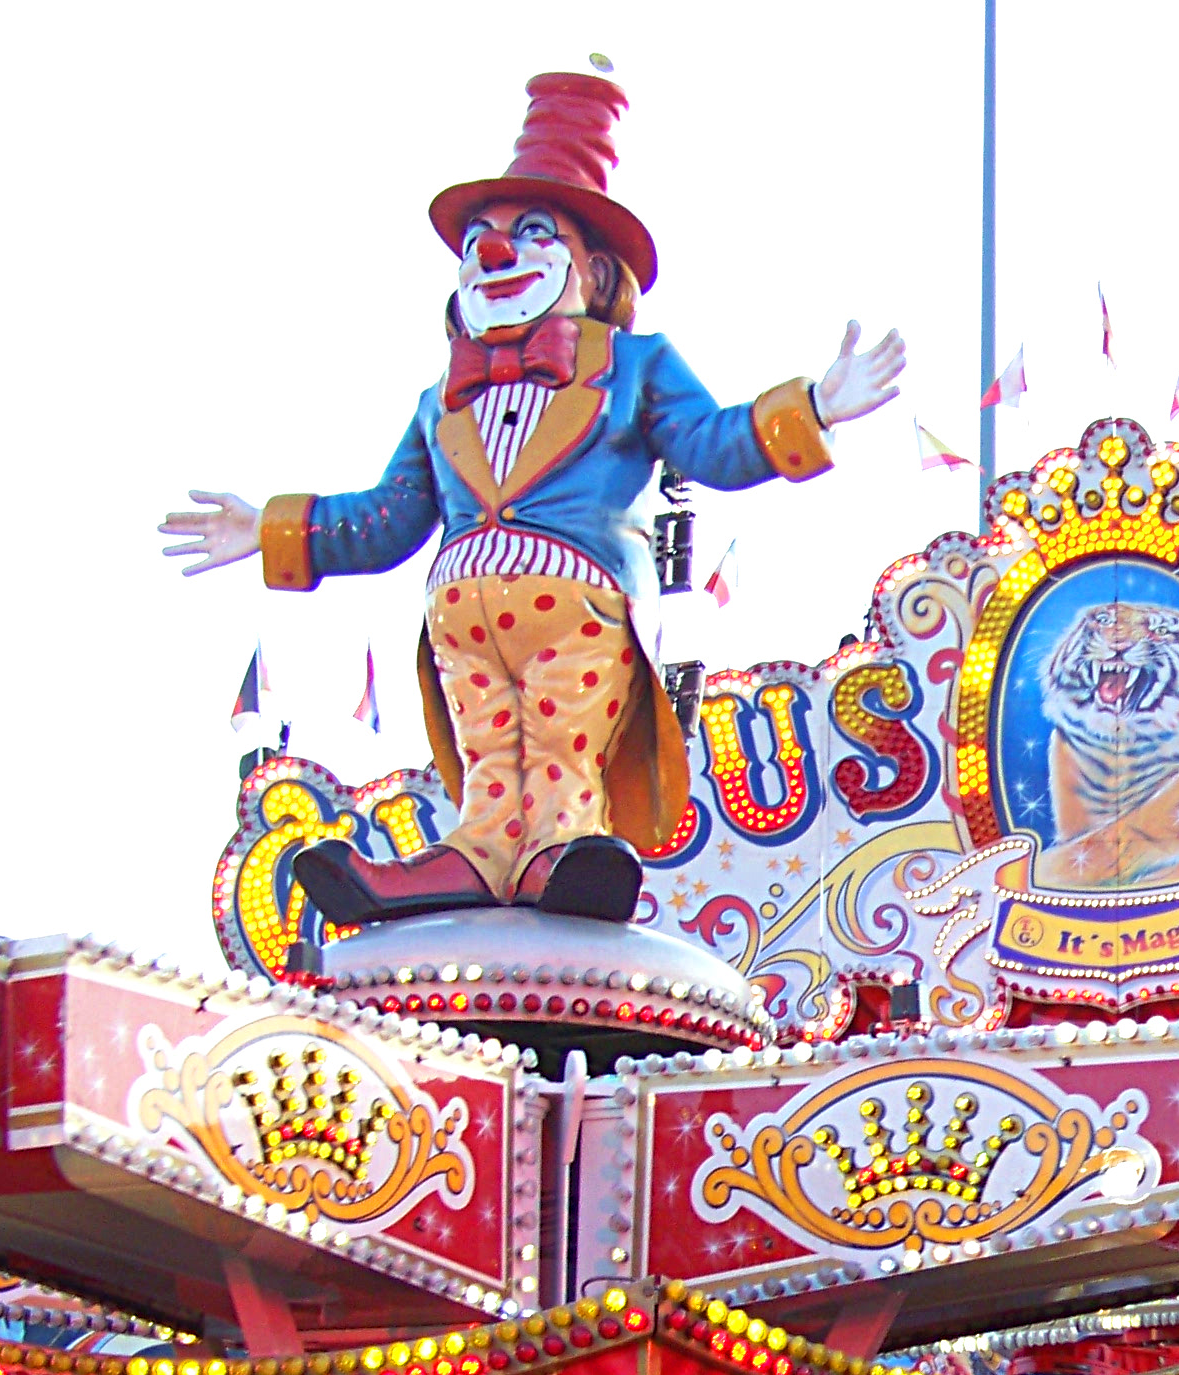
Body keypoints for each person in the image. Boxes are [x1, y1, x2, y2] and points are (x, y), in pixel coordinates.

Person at [159, 69, 905, 925]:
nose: (495, 252)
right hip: (460, 616)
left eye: (531, 233)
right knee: (488, 761)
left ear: (593, 271)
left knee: (558, 753)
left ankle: (564, 853)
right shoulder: (440, 402)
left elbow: (711, 443)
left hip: (577, 603)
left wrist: (814, 409)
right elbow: (388, 518)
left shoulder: (633, 366)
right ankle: (473, 856)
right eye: (479, 239)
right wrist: (272, 529)